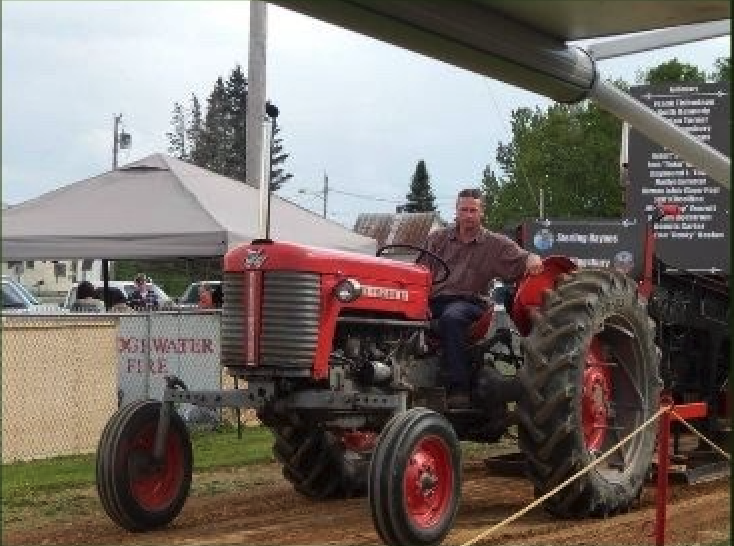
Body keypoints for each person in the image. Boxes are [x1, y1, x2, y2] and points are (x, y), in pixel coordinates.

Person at [420, 188, 543, 408]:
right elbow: (420, 271)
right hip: (434, 301)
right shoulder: (437, 239)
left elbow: (525, 258)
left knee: (452, 318)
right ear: (456, 211)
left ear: (482, 212)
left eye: (473, 210)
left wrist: (532, 258)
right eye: (464, 210)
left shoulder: (495, 243)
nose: (468, 215)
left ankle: (459, 389)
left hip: (470, 304)